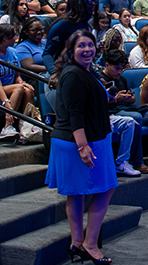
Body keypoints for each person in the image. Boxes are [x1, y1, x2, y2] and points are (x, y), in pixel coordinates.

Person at [45, 30, 117, 265]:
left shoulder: (86, 71)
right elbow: (75, 114)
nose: (87, 50)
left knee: (77, 194)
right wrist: (83, 147)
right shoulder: (73, 74)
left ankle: (77, 244)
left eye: (90, 45)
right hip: (77, 142)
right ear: (71, 50)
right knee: (104, 188)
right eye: (81, 46)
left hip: (94, 138)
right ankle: (90, 244)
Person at [0, 24, 36, 141]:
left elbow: (17, 77)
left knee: (28, 90)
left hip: (10, 87)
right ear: (5, 38)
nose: (16, 39)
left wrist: (21, 82)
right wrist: (6, 103)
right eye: (14, 36)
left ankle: (26, 128)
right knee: (18, 89)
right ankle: (7, 127)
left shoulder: (13, 52)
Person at [42, 0, 96, 71]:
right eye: (89, 0)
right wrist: (53, 73)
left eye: (94, 0)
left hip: (80, 72)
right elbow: (47, 54)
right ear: (79, 2)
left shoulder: (87, 26)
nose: (93, 3)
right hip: (62, 73)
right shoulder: (62, 25)